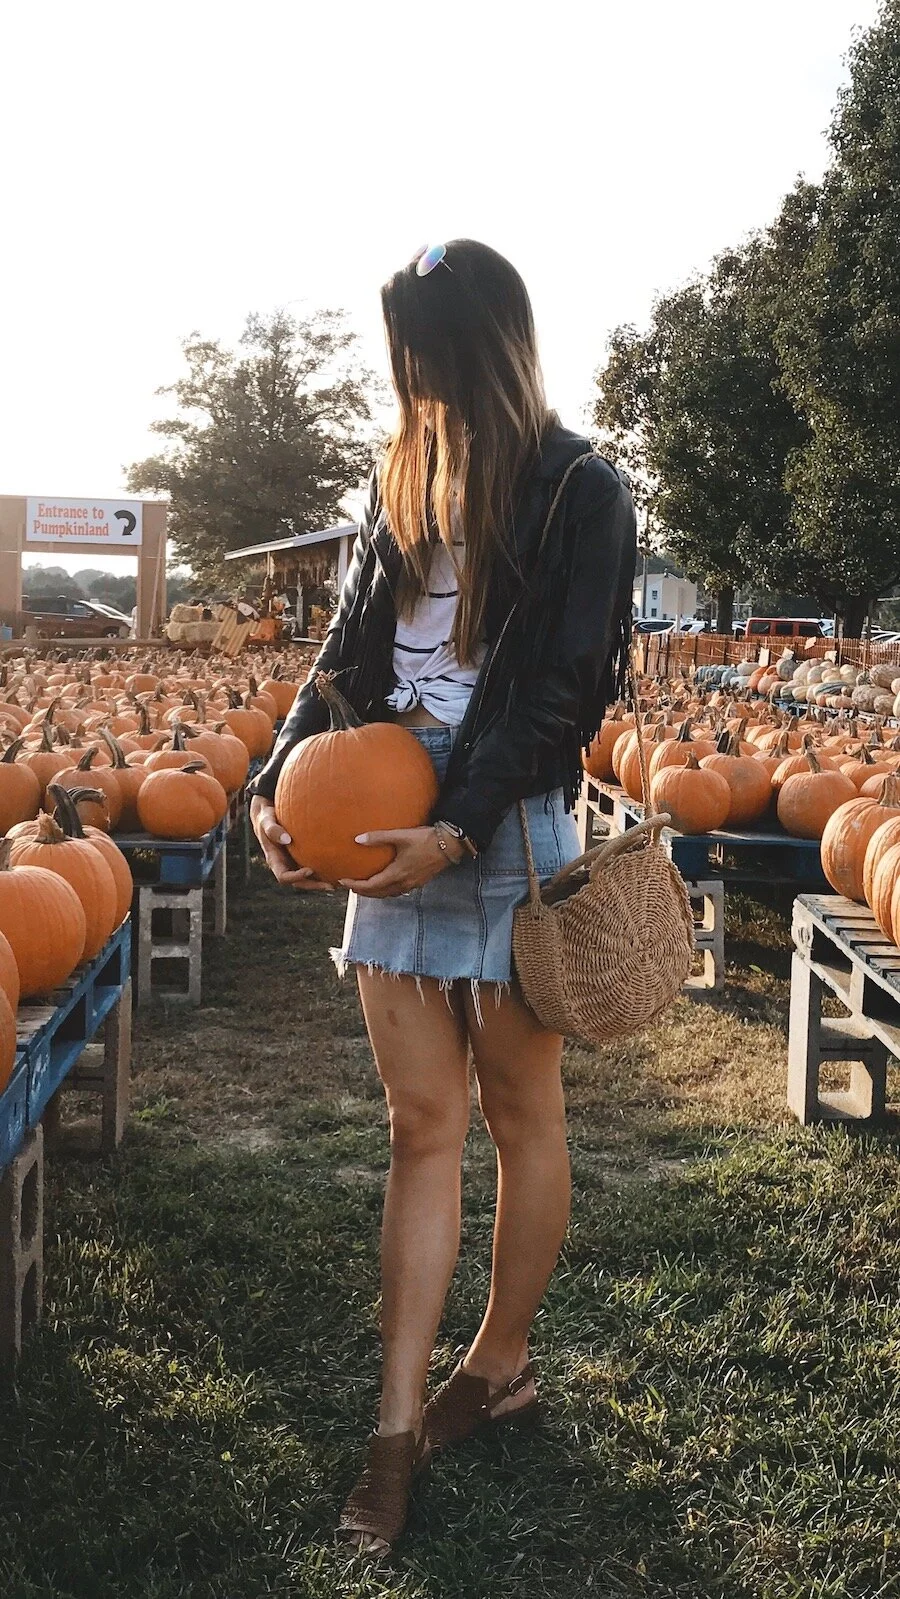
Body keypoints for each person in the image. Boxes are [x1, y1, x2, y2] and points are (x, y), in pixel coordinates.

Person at [248, 239, 636, 1560]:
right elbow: (343, 659)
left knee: (523, 1116)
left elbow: (562, 693)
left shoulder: (583, 490)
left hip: (505, 833)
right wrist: (268, 784)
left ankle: (501, 1360)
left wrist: (458, 827)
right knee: (424, 1127)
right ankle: (396, 1428)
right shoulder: (395, 481)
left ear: (482, 350)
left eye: (427, 356)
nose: (409, 380)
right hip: (386, 823)